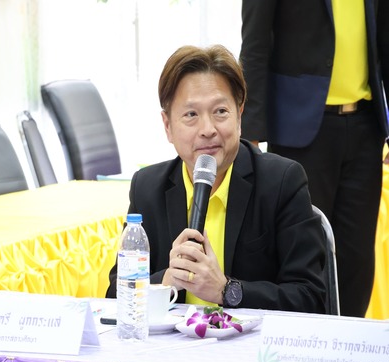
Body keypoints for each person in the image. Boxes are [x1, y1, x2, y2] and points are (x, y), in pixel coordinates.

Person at [106, 44, 326, 314]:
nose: (207, 129)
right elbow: (115, 294)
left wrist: (226, 290)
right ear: (168, 126)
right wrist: (165, 282)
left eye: (220, 111)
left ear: (239, 116)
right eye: (191, 115)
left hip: (253, 341)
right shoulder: (148, 187)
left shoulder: (281, 182)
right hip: (173, 341)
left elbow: (310, 297)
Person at [240, 0, 389, 317]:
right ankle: (304, 339)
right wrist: (249, 136)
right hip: (299, 130)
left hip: (366, 125)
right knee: (304, 251)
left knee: (357, 257)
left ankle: (349, 341)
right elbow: (255, 44)